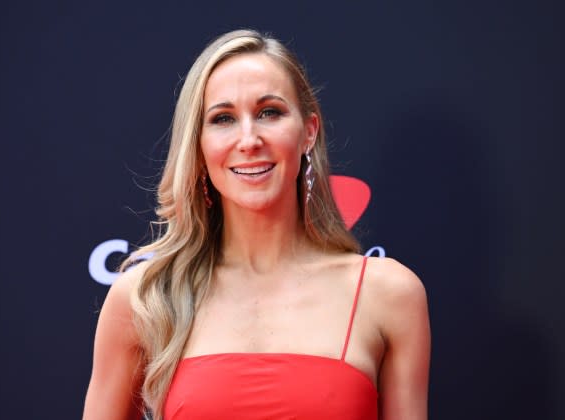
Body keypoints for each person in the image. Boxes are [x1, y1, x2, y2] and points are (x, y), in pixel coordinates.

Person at [83, 29, 430, 420]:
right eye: (223, 118)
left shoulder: (388, 294)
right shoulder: (143, 299)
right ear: (198, 147)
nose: (248, 139)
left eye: (270, 112)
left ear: (308, 132)